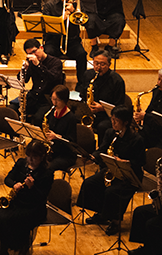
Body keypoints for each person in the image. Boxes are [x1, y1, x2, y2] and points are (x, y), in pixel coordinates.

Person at [0, 140, 53, 255]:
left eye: (34, 157)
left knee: (8, 219)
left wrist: (32, 187)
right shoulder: (21, 164)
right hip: (18, 203)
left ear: (42, 157)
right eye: (29, 156)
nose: (30, 159)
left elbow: (41, 197)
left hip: (34, 208)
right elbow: (8, 179)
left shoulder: (47, 173)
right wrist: (14, 184)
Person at [77, 105, 145, 236]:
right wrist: (92, 157)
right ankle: (102, 213)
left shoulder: (136, 140)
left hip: (129, 175)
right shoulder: (110, 133)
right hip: (112, 170)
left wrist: (126, 162)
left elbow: (141, 162)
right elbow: (102, 149)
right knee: (90, 183)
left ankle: (115, 222)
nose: (113, 123)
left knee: (112, 191)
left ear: (125, 122)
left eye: (116, 121)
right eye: (112, 119)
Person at [76, 48, 129, 140]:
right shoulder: (88, 75)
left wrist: (102, 108)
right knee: (73, 119)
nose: (98, 67)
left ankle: (101, 150)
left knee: (102, 127)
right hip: (89, 112)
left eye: (102, 64)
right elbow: (82, 94)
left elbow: (120, 106)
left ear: (109, 64)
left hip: (107, 115)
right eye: (96, 63)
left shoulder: (117, 81)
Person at [41, 0, 88, 74]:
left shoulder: (77, 4)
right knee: (47, 54)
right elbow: (46, 26)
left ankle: (82, 84)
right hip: (53, 41)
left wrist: (74, 12)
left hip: (72, 41)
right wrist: (61, 19)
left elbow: (85, 22)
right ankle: (50, 81)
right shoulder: (49, 5)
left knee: (82, 54)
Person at [14, 38, 64, 125]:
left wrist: (38, 65)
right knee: (11, 109)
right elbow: (23, 80)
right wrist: (24, 70)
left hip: (48, 99)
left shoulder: (56, 62)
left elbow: (52, 78)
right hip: (33, 97)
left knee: (38, 119)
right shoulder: (31, 62)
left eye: (34, 51)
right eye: (29, 54)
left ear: (41, 48)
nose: (33, 55)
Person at [43, 85, 78, 173]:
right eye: (52, 99)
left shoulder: (71, 118)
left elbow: (72, 142)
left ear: (64, 100)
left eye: (57, 100)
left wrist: (57, 137)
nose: (54, 102)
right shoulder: (51, 113)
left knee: (49, 167)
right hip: (54, 150)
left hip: (66, 154)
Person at [134, 69, 162, 151]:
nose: (158, 83)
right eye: (159, 79)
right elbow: (150, 109)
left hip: (160, 135)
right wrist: (140, 115)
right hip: (151, 129)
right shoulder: (157, 91)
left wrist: (145, 116)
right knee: (133, 140)